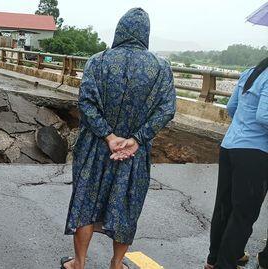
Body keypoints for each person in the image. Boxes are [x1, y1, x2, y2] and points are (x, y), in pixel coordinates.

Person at [61, 8, 176, 269]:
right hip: (134, 154)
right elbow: (167, 109)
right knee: (126, 207)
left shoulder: (97, 61)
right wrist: (137, 139)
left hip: (95, 148)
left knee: (85, 203)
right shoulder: (161, 68)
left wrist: (109, 136)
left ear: (119, 30)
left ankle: (78, 263)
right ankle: (116, 264)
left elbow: (86, 103)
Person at [205, 55, 268, 269]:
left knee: (224, 206)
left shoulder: (252, 71)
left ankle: (214, 259)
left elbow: (231, 107)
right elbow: (264, 116)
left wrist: (243, 125)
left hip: (230, 145)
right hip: (255, 152)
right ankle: (225, 263)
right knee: (244, 213)